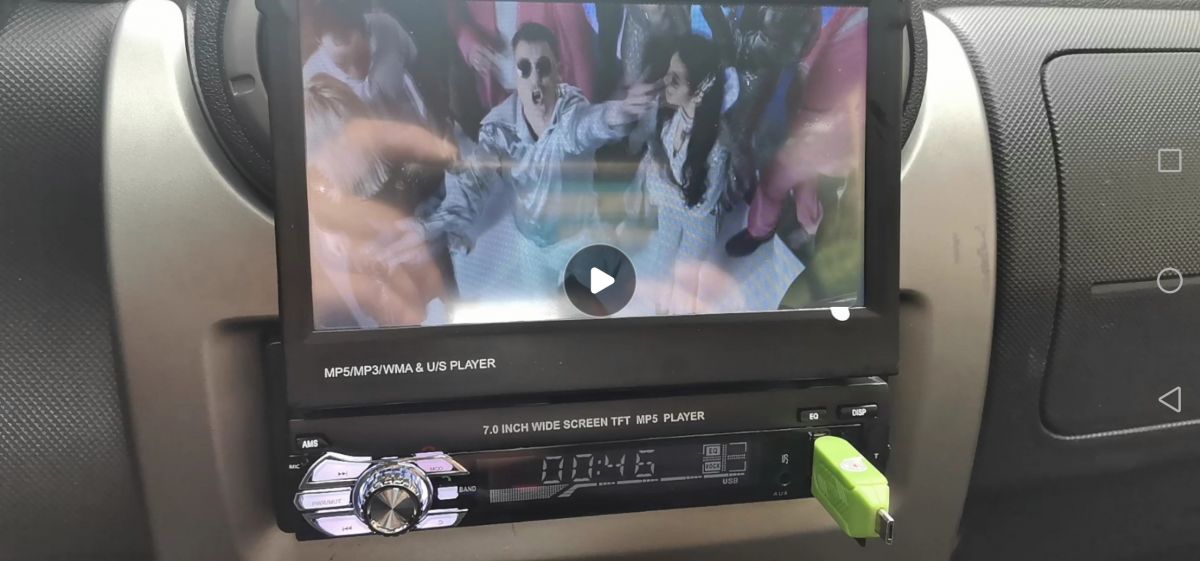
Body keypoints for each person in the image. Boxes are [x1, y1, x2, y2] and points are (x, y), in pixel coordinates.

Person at [304, 74, 457, 328]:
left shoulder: (399, 176)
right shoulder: (313, 224)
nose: (367, 138)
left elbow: (447, 161)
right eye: (354, 136)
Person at [725, 7, 868, 257]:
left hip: (828, 136)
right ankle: (780, 228)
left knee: (780, 184)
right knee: (789, 184)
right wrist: (804, 67)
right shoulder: (854, 13)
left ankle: (782, 231)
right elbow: (829, 28)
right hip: (805, 114)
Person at [624, 34, 733, 315]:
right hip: (672, 208)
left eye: (675, 80)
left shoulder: (716, 144)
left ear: (699, 89)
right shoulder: (668, 112)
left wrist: (663, 182)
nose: (664, 82)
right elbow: (655, 160)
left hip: (697, 220)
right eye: (667, 74)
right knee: (663, 254)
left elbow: (702, 206)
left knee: (686, 276)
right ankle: (661, 308)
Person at [450, 1, 597, 109]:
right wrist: (469, 45)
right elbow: (456, 18)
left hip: (551, 102)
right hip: (499, 99)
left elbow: (578, 53)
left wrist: (583, 109)